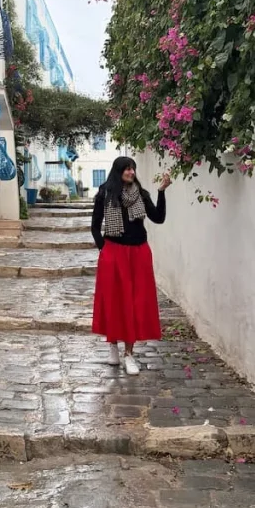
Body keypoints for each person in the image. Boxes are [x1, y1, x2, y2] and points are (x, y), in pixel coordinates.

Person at [91, 156, 171, 375]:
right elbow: (95, 226)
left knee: (135, 303)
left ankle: (129, 354)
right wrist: (104, 250)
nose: (131, 172)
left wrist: (162, 191)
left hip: (138, 253)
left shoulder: (141, 194)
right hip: (114, 253)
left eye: (133, 168)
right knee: (114, 301)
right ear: (118, 171)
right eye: (127, 168)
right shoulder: (106, 194)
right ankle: (113, 348)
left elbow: (158, 218)